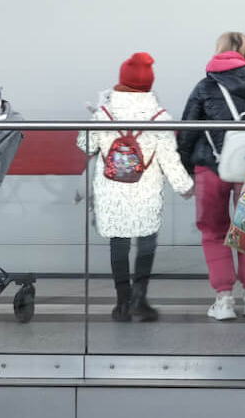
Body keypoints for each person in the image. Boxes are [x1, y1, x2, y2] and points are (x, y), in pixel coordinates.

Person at [78, 53, 194, 322]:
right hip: (146, 190)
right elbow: (168, 158)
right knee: (146, 242)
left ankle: (121, 302)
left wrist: (94, 115)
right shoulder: (159, 116)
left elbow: (85, 146)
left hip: (111, 189)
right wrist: (184, 186)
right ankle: (140, 299)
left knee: (118, 244)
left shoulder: (104, 112)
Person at [176, 32, 245, 322]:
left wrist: (184, 172)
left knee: (213, 231)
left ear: (219, 51)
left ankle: (223, 299)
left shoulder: (206, 86)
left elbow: (187, 131)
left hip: (211, 168)